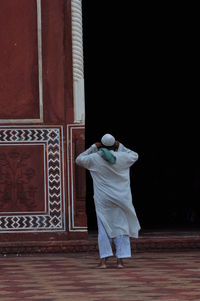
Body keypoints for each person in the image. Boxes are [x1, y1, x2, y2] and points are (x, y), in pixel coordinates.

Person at [75, 133, 141, 268]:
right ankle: (120, 260)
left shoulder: (94, 158)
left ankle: (103, 261)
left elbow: (79, 159)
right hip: (120, 199)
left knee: (104, 228)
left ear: (102, 145)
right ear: (114, 144)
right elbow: (135, 155)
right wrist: (120, 145)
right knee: (121, 227)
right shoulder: (123, 157)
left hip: (103, 199)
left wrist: (93, 147)